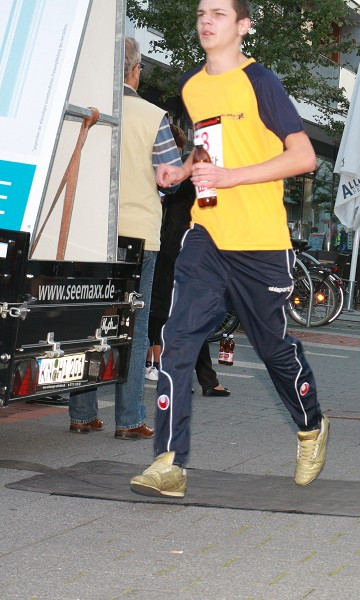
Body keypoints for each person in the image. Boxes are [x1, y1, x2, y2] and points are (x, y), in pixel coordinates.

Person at [130, 0, 325, 497]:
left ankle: (311, 426)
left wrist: (232, 177)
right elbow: (210, 146)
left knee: (274, 349)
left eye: (218, 12)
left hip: (260, 242)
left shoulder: (262, 82)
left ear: (243, 25)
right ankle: (169, 461)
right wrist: (182, 168)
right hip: (207, 234)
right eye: (201, 11)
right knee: (178, 339)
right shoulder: (192, 85)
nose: (205, 20)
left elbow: (303, 158)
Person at [67, 37, 181, 438]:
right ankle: (129, 419)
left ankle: (82, 414)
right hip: (137, 237)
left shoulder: (84, 111)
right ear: (136, 70)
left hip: (85, 234)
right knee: (132, 326)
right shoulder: (154, 117)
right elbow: (168, 181)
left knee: (85, 322)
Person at [146, 123, 230, 397]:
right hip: (188, 250)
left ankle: (196, 377)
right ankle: (199, 378)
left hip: (168, 245)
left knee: (169, 311)